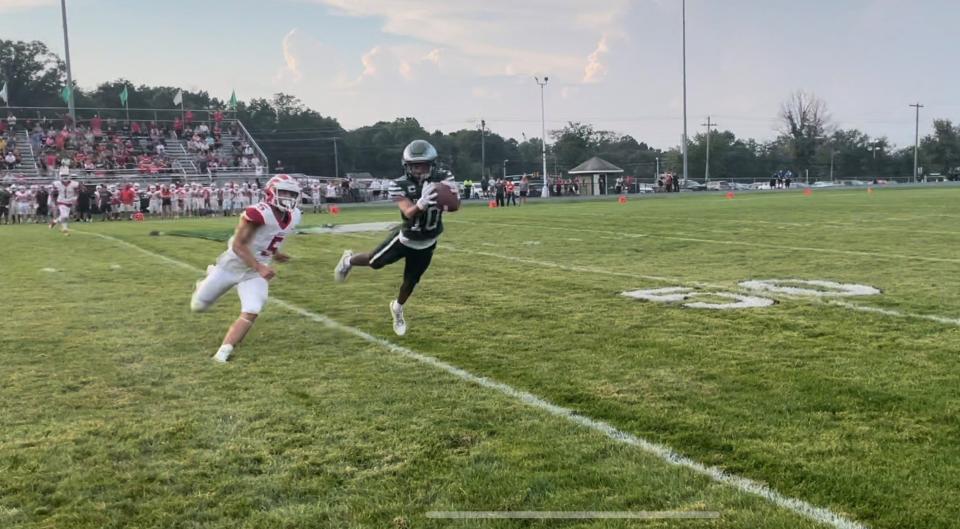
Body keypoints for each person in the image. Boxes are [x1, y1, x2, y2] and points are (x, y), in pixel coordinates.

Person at [333, 140, 456, 336]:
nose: (419, 170)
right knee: (374, 262)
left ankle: (397, 309)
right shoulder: (398, 184)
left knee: (411, 281)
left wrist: (450, 196)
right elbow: (408, 212)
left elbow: (455, 206)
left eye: (423, 164)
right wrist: (422, 204)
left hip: (428, 242)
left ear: (432, 164)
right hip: (405, 239)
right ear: (407, 166)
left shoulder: (443, 178)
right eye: (415, 165)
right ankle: (348, 260)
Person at [190, 174, 303, 362]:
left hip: (253, 272)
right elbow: (238, 245)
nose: (287, 197)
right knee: (198, 306)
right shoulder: (259, 212)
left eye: (291, 194)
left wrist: (274, 254)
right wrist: (259, 266)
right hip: (231, 266)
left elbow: (269, 238)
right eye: (283, 192)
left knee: (253, 308)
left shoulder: (295, 215)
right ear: (270, 192)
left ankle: (223, 352)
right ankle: (205, 282)